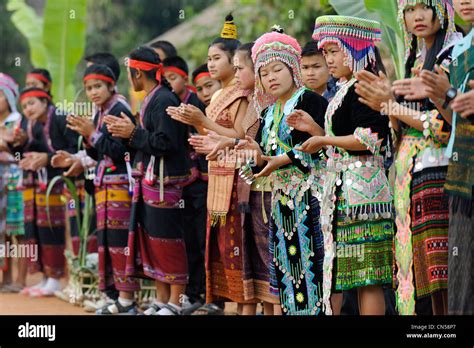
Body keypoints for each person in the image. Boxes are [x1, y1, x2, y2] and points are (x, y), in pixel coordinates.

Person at [354, 0, 461, 315]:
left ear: (441, 12)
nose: (418, 16)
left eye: (425, 8)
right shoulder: (413, 56)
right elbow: (403, 124)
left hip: (441, 166)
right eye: (410, 9)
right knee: (429, 270)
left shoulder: (451, 52)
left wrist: (390, 106)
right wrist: (388, 104)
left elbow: (443, 127)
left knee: (446, 268)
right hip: (412, 169)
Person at [167, 13, 255, 314]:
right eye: (209, 58)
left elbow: (240, 134)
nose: (212, 64)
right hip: (216, 174)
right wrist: (198, 128)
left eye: (218, 58)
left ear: (235, 62)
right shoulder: (218, 93)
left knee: (237, 244)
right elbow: (216, 135)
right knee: (218, 245)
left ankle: (244, 306)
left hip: (237, 176)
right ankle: (221, 302)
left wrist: (201, 120)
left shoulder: (241, 93)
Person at [308, 15, 394, 315]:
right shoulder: (345, 88)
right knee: (354, 275)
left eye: (334, 51)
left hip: (364, 193)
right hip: (347, 190)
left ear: (355, 49)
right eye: (326, 52)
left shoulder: (365, 85)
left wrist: (325, 142)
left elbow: (370, 139)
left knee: (367, 275)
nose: (328, 59)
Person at [247, 26, 328, 315]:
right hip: (282, 202)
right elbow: (261, 157)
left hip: (311, 198)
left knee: (313, 265)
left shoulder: (312, 101)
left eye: (276, 69)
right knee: (286, 266)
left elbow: (322, 147)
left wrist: (280, 160)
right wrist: (250, 156)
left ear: (292, 67)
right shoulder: (268, 113)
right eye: (264, 73)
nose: (271, 77)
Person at [105, 46, 191, 315]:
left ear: (138, 74)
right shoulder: (153, 98)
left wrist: (133, 133)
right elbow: (146, 140)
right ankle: (162, 299)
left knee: (169, 241)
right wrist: (124, 135)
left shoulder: (164, 99)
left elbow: (167, 143)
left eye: (130, 75)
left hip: (167, 185)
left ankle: (176, 302)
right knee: (154, 241)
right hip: (152, 183)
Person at [66, 64, 139, 314]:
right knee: (106, 241)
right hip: (104, 185)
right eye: (88, 88)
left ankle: (127, 299)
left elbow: (123, 152)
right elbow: (99, 152)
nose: (93, 92)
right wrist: (86, 137)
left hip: (120, 184)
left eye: (97, 86)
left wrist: (92, 134)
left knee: (120, 242)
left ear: (111, 85)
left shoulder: (119, 109)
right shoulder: (100, 111)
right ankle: (114, 295)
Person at [418, 0, 474, 315]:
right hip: (461, 170)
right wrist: (440, 95)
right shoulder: (462, 49)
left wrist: (448, 93)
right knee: (460, 283)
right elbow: (457, 119)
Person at [17, 87, 78, 297]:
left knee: (52, 226)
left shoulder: (60, 117)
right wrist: (23, 150)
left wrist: (47, 158)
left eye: (32, 103)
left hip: (62, 183)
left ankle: (55, 278)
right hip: (38, 184)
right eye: (24, 106)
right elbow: (25, 152)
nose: (27, 109)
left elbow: (76, 147)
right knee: (36, 227)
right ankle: (44, 276)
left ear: (45, 101)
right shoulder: (31, 124)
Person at [0, 73, 25, 293]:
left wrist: (5, 142)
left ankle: (19, 279)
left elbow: (12, 143)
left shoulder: (17, 118)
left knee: (16, 228)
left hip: (14, 178)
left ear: (8, 96)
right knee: (2, 232)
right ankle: (5, 276)